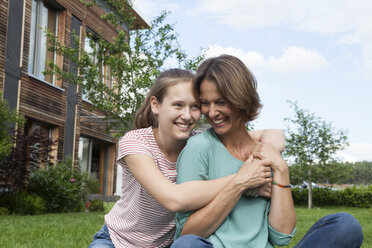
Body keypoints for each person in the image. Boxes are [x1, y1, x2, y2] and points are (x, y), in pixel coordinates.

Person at [172, 55, 364, 248]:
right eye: (206, 103)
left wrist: (281, 168)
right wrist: (239, 184)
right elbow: (187, 235)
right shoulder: (199, 147)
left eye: (221, 102)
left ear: (241, 98)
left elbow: (282, 235)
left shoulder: (267, 152)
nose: (212, 113)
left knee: (346, 226)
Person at [89, 68, 286, 248]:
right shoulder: (136, 142)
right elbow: (173, 199)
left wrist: (267, 154)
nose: (187, 115)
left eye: (194, 107)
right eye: (178, 105)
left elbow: (273, 133)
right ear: (156, 105)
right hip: (119, 241)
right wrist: (243, 180)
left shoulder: (197, 142)